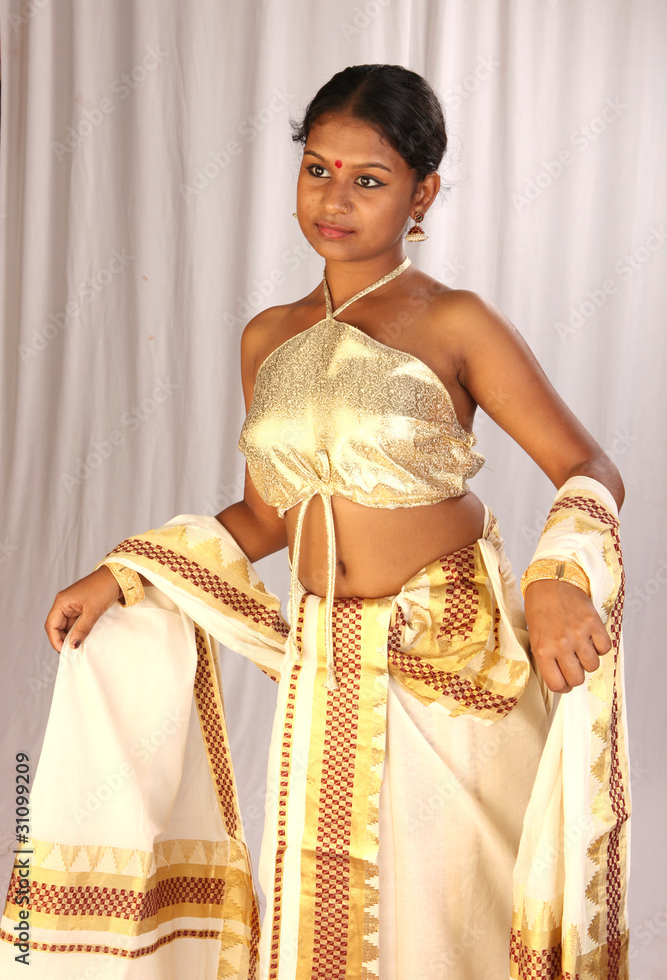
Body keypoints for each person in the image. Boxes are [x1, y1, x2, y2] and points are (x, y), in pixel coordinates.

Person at [1, 65, 629, 980]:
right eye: (317, 169)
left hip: (452, 667)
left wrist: (556, 579)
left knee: (448, 916)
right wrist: (126, 573)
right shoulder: (268, 336)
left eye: (367, 179)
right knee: (326, 920)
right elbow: (267, 512)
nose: (334, 199)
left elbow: (587, 466)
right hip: (322, 664)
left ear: (422, 193)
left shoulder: (454, 321)